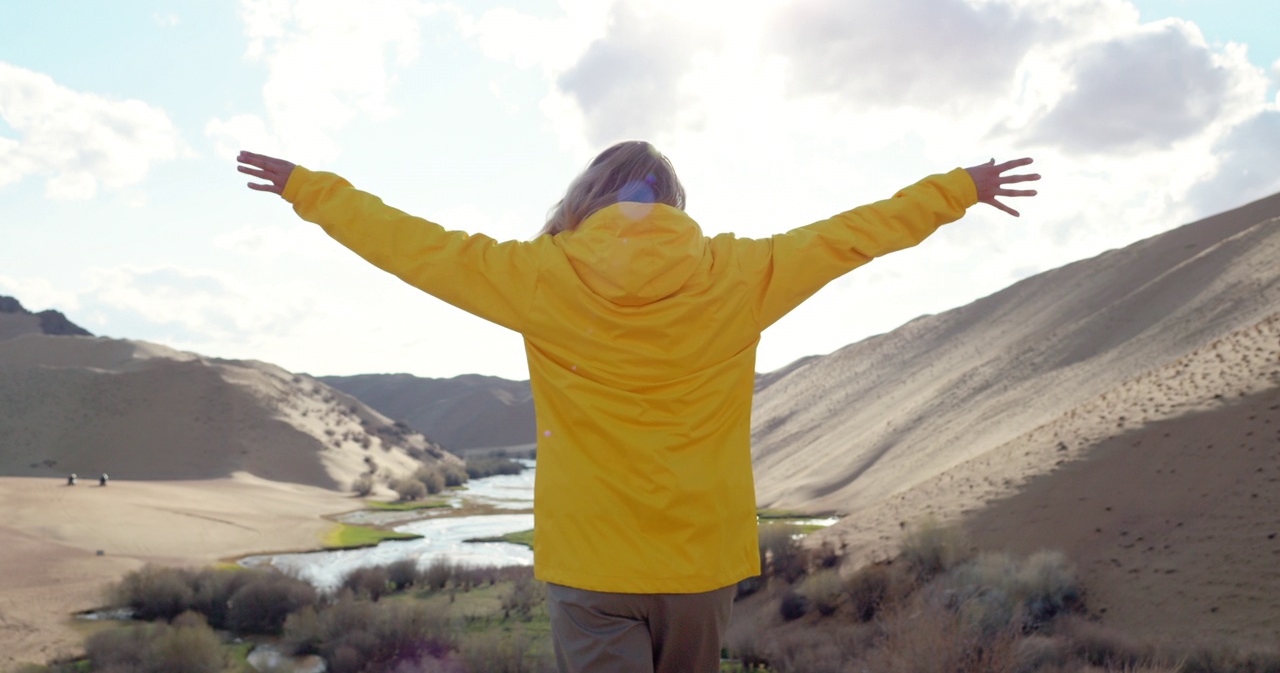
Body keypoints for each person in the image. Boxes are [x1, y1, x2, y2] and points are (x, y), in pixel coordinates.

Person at [237, 143, 1037, 673]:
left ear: (586, 198)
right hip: (701, 566)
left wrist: (309, 190)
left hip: (591, 564)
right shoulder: (740, 272)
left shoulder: (538, 275)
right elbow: (852, 236)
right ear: (676, 202)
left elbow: (411, 246)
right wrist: (958, 190)